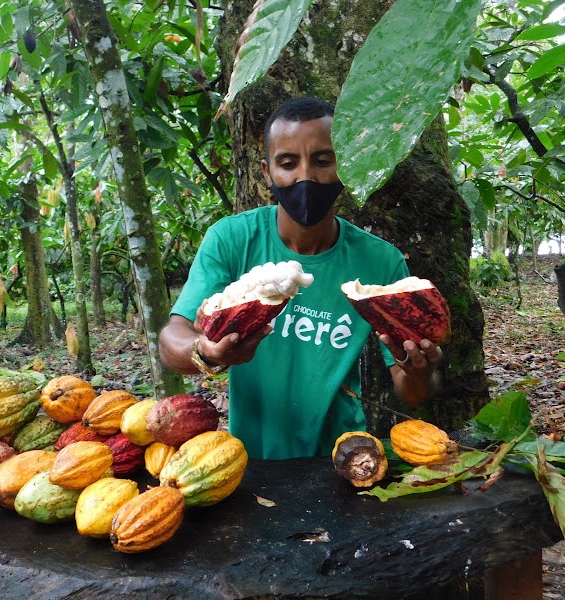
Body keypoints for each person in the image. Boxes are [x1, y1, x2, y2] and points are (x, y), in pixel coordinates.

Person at [158, 96, 443, 460]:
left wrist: (419, 368)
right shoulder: (231, 239)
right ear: (267, 173)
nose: (305, 176)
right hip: (249, 458)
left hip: (343, 456)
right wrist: (205, 353)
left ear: (344, 165)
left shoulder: (379, 261)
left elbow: (414, 392)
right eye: (288, 163)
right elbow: (171, 339)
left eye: (322, 161)